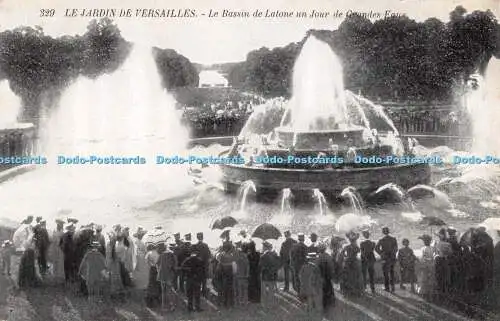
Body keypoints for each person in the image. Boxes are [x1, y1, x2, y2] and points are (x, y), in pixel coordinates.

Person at [339, 231, 363, 296]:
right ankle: (356, 291)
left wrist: (345, 257)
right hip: (354, 261)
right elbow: (358, 251)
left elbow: (342, 253)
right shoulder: (356, 247)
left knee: (348, 277)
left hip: (348, 261)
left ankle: (348, 291)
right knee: (355, 276)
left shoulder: (347, 246)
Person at [375, 227, 398, 292]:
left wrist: (382, 254)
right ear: (388, 231)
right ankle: (393, 287)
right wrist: (393, 254)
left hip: (385, 258)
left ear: (383, 232)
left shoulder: (381, 239)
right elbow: (396, 249)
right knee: (392, 272)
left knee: (385, 273)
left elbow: (376, 248)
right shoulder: (393, 239)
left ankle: (387, 287)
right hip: (392, 258)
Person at [259, 241, 281, 307]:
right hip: (272, 275)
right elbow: (278, 264)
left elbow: (260, 266)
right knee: (271, 291)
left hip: (265, 276)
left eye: (263, 246)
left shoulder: (263, 256)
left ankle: (264, 304)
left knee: (263, 291)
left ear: (265, 247)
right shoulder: (274, 255)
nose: (262, 247)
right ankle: (271, 304)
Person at [157, 242, 177, 311]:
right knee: (170, 290)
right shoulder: (171, 254)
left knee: (163, 291)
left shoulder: (161, 255)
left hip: (162, 275)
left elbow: (157, 264)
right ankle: (171, 305)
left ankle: (164, 306)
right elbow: (175, 265)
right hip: (169, 275)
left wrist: (159, 271)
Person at [315, 243, 335, 311]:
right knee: (329, 288)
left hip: (321, 277)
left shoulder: (319, 257)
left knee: (322, 290)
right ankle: (330, 302)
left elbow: (317, 268)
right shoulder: (328, 256)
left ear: (319, 250)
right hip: (328, 276)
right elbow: (331, 267)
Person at [191, 232, 211, 296]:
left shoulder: (194, 245)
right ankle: (204, 292)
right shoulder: (205, 245)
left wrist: (198, 258)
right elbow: (209, 255)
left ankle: (199, 291)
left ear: (197, 237)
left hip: (198, 265)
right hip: (204, 265)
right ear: (202, 237)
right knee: (204, 279)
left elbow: (192, 255)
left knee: (198, 279)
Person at [417, 234, 435, 299]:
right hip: (432, 265)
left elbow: (422, 258)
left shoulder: (423, 248)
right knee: (431, 280)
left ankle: (424, 293)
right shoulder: (432, 248)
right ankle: (430, 293)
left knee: (424, 279)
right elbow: (434, 256)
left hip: (425, 266)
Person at [434, 228, 452, 295]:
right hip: (444, 259)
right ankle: (445, 291)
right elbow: (450, 253)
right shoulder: (448, 244)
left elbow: (435, 252)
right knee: (445, 275)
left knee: (438, 275)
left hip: (438, 259)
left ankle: (439, 290)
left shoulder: (437, 243)